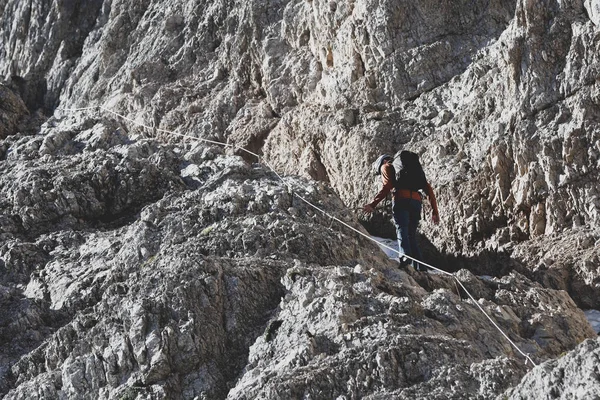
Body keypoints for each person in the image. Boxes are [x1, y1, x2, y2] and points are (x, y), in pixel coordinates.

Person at [363, 153, 440, 270]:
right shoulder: (411, 170)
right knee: (411, 235)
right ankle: (421, 267)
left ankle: (405, 259)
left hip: (401, 199)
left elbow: (387, 186)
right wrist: (435, 211)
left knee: (401, 229)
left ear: (382, 163)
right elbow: (428, 189)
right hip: (416, 202)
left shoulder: (386, 166)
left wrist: (372, 205)